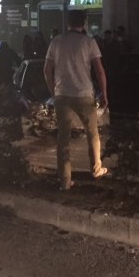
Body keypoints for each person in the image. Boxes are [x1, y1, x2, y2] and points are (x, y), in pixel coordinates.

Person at [43, 10, 109, 190]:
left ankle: (65, 181)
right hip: (84, 94)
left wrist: (54, 91)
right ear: (84, 23)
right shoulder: (89, 42)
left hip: (62, 94)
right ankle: (96, 170)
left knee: (63, 138)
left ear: (68, 23)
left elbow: (47, 70)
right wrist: (104, 94)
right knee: (92, 133)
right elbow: (99, 70)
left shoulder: (56, 42)